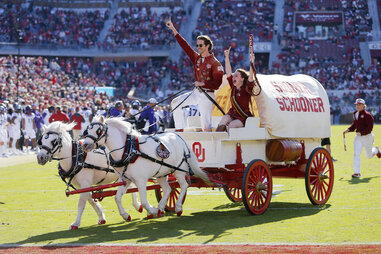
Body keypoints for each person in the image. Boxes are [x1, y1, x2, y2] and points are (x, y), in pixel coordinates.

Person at [166, 18, 224, 132]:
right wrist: (173, 29)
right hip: (196, 92)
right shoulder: (196, 58)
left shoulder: (215, 63)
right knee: (175, 103)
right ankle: (180, 133)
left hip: (207, 95)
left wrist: (203, 83)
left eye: (200, 45)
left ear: (207, 46)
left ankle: (209, 147)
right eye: (197, 45)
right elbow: (185, 46)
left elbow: (217, 83)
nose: (198, 47)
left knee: (206, 126)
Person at [215, 46, 257, 131]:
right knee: (224, 119)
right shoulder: (233, 87)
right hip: (232, 114)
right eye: (234, 76)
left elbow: (251, 76)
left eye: (236, 76)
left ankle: (231, 142)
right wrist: (226, 57)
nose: (233, 77)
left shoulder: (246, 89)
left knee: (231, 125)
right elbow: (228, 72)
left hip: (243, 116)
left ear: (242, 79)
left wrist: (252, 62)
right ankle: (216, 139)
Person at [343, 98, 381, 178]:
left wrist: (362, 132)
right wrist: (349, 129)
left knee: (369, 155)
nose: (358, 106)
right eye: (357, 104)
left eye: (359, 104)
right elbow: (354, 125)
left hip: (368, 137)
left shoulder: (368, 115)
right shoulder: (355, 114)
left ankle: (376, 150)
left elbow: (370, 128)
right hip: (358, 137)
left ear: (364, 106)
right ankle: (357, 173)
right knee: (356, 154)